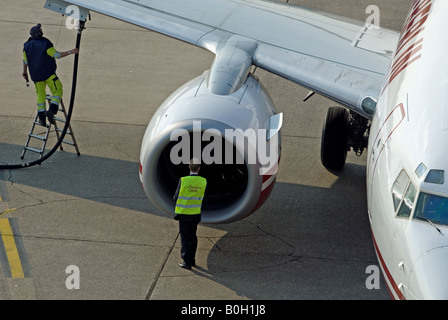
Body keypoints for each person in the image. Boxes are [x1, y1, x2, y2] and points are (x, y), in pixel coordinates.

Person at [22, 23, 79, 126]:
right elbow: (57, 55)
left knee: (40, 96)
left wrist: (24, 72)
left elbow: (25, 61)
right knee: (58, 90)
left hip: (36, 76)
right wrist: (71, 51)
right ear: (39, 33)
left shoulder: (26, 45)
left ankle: (42, 118)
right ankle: (52, 111)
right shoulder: (45, 43)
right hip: (48, 74)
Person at [173, 159, 207, 270]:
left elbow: (176, 197)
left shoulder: (183, 180)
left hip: (184, 215)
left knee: (185, 238)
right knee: (193, 237)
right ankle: (192, 260)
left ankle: (186, 262)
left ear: (189, 167)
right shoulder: (203, 181)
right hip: (196, 214)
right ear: (199, 168)